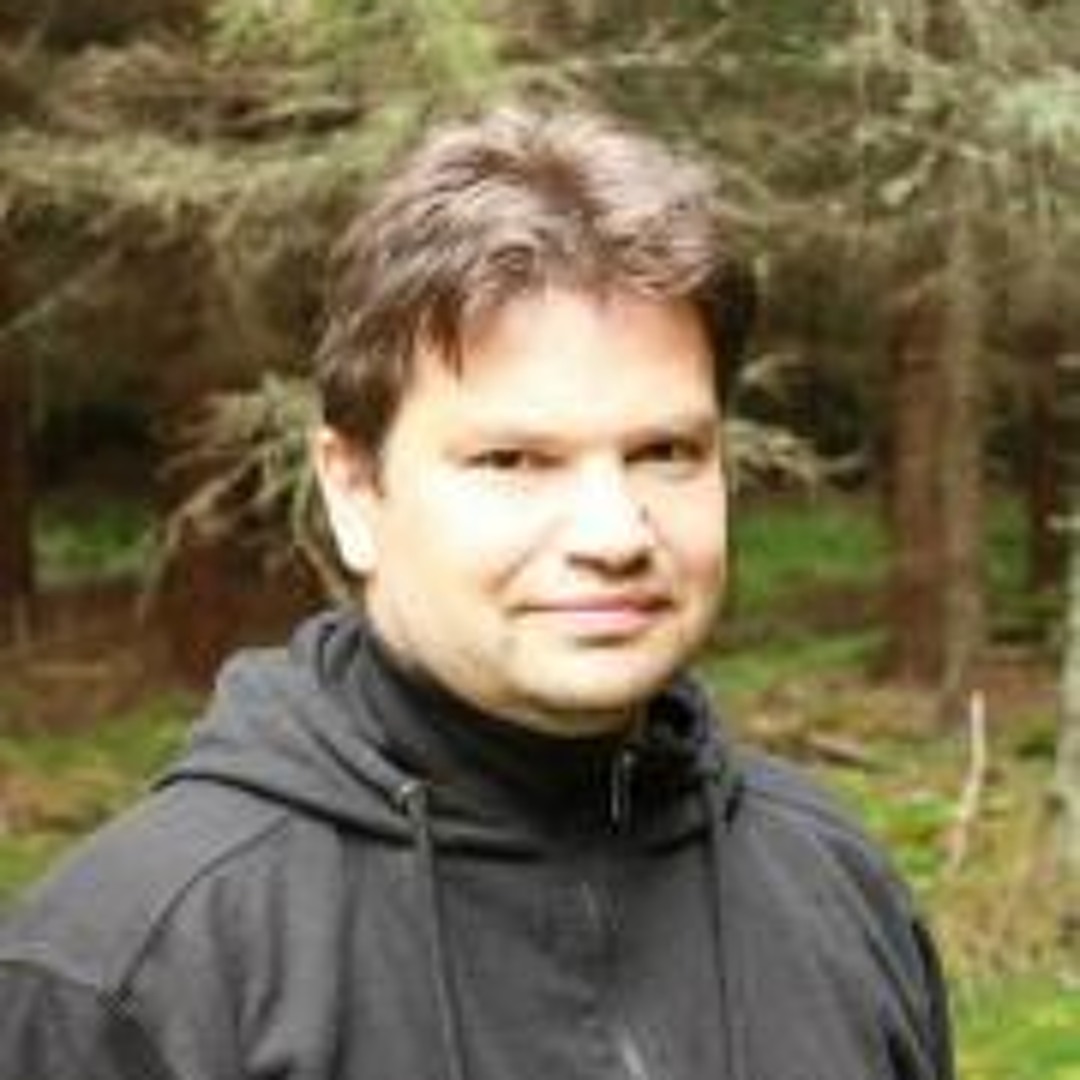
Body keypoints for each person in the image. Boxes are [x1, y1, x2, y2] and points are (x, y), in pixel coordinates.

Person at [0, 104, 953, 1080]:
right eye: (514, 460)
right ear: (354, 490)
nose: (614, 536)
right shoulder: (129, 971)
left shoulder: (836, 890)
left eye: (665, 451)